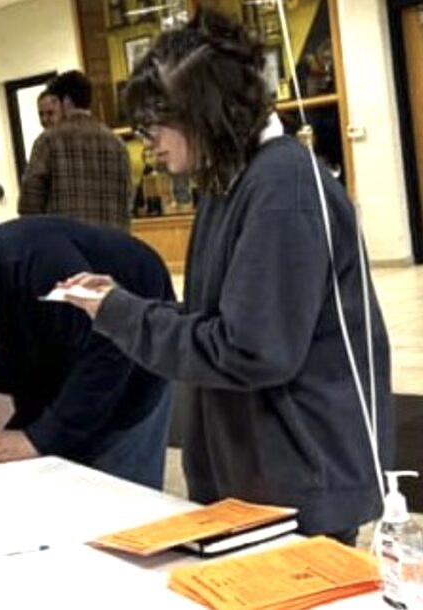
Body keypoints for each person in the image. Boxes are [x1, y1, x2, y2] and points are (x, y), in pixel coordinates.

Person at [60, 11, 394, 545]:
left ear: (202, 111)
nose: (150, 145)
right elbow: (210, 324)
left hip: (300, 482)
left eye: (156, 126)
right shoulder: (229, 184)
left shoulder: (283, 187)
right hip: (255, 473)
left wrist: (121, 313)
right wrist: (117, 303)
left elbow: (251, 350)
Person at [0, 217, 173, 488]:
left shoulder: (45, 268)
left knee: (118, 478)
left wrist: (39, 438)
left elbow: (108, 351)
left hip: (133, 333)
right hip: (49, 353)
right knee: (51, 469)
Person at [18, 70, 132, 230]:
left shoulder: (48, 141)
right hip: (111, 247)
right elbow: (126, 203)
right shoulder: (118, 144)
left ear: (66, 101)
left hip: (65, 247)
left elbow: (29, 203)